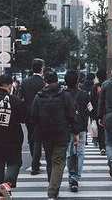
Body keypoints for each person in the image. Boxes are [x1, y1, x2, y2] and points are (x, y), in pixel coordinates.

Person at [30, 71, 79, 200]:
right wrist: (76, 132)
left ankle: (52, 186)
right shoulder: (64, 95)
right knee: (58, 160)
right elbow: (71, 115)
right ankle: (53, 189)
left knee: (49, 160)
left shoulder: (39, 96)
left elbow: (33, 117)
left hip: (45, 132)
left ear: (45, 82)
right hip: (62, 132)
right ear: (57, 81)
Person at [17, 58, 46, 175]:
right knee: (39, 138)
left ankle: (35, 158)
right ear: (42, 68)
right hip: (42, 113)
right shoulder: (43, 83)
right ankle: (35, 162)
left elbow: (20, 98)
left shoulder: (25, 82)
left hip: (28, 113)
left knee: (31, 137)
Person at [64, 70, 91, 192]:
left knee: (69, 153)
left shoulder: (63, 94)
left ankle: (71, 177)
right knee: (80, 152)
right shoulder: (84, 94)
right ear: (77, 82)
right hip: (81, 127)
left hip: (67, 127)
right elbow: (90, 109)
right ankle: (75, 178)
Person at [90, 69, 107, 155]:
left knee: (100, 130)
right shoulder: (107, 85)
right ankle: (105, 145)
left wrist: (92, 114)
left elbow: (91, 101)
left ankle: (102, 147)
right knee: (106, 130)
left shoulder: (94, 87)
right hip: (107, 111)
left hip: (97, 112)